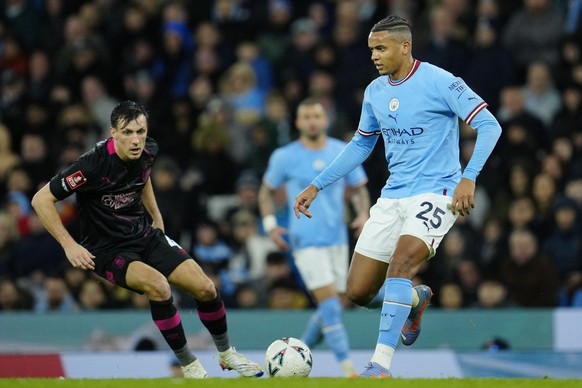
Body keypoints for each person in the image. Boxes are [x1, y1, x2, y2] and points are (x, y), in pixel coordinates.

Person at [293, 15, 502, 377]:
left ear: (405, 46)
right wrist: (318, 184)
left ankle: (380, 365)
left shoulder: (440, 81)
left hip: (438, 192)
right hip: (393, 196)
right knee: (357, 292)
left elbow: (489, 125)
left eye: (381, 48)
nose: (374, 56)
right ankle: (415, 300)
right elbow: (360, 144)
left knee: (401, 264)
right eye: (371, 49)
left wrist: (468, 178)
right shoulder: (375, 91)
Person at [31, 100, 263, 379]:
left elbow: (143, 177)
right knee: (159, 287)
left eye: (140, 131)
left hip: (143, 234)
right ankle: (189, 365)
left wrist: (156, 215)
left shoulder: (148, 149)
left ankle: (227, 355)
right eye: (127, 132)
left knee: (206, 288)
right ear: (112, 133)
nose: (136, 139)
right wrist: (69, 244)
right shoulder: (91, 165)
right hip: (106, 249)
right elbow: (41, 199)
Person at [259, 98, 370, 377]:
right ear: (297, 123)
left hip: (338, 238)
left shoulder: (341, 151)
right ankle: (349, 371)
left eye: (316, 116)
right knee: (331, 303)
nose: (311, 121)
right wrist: (271, 225)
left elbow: (358, 187)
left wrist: (362, 213)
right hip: (305, 240)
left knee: (338, 302)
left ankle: (297, 352)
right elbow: (266, 191)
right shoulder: (284, 156)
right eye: (306, 116)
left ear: (325, 120)